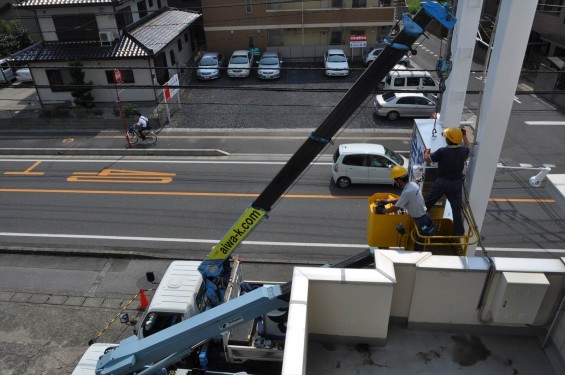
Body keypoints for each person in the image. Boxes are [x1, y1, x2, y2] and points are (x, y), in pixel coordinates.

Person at [423, 127, 470, 236]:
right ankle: (458, 233)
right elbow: (468, 146)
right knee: (456, 209)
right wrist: (464, 135)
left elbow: (427, 159)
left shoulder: (442, 151)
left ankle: (418, 222)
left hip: (442, 182)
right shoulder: (463, 151)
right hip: (456, 184)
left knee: (427, 204)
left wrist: (426, 152)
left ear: (449, 140)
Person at [376, 166, 436, 250]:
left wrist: (383, 210)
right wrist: (388, 201)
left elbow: (396, 207)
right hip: (425, 217)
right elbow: (403, 200)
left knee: (419, 243)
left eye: (395, 181)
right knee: (420, 240)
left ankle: (417, 257)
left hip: (420, 221)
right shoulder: (412, 185)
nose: (395, 182)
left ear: (399, 180)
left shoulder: (408, 191)